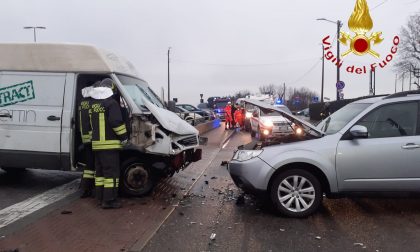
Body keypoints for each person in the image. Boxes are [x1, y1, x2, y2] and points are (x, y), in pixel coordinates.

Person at [90, 78, 128, 209]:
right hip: (109, 146)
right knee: (111, 175)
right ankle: (109, 200)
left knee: (100, 174)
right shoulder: (111, 103)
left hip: (97, 146)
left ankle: (100, 198)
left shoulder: (94, 105)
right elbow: (116, 122)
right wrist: (124, 137)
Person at [78, 85, 95, 198]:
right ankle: (88, 189)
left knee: (88, 165)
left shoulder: (82, 102)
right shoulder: (92, 103)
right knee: (93, 165)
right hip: (92, 138)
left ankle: (84, 188)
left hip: (84, 138)